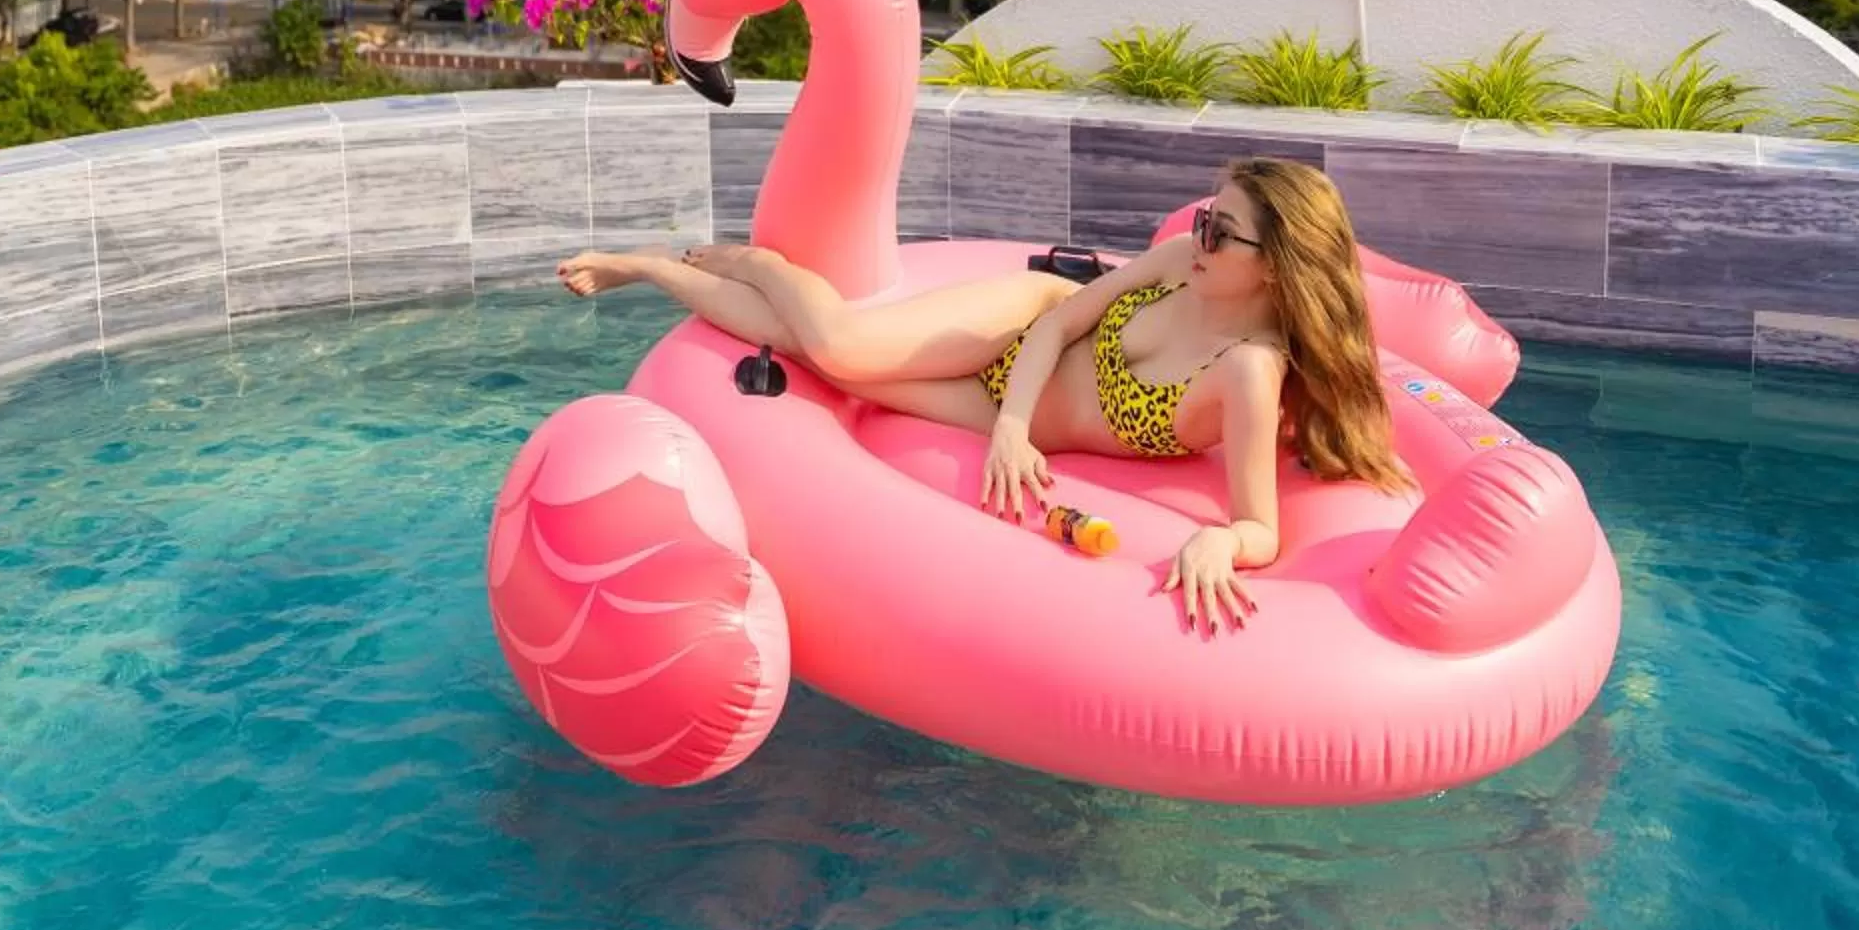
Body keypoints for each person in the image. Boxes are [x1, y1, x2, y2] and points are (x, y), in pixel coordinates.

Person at [555, 156, 1412, 634]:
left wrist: (1224, 547)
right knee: (841, 344)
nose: (1200, 234)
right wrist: (1008, 428)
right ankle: (753, 264)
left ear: (1275, 263)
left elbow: (1259, 525)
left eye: (1222, 231)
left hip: (1012, 407)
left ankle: (664, 270)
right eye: (1203, 218)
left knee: (821, 366)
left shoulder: (1248, 370)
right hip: (1018, 337)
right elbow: (1061, 319)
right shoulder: (1177, 267)